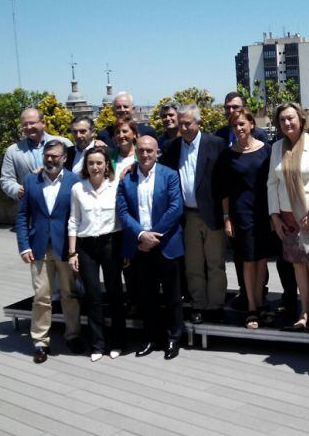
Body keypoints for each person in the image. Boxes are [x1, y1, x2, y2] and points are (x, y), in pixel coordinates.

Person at [117, 135, 185, 360]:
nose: (145, 154)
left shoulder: (170, 175)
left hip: (165, 244)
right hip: (140, 247)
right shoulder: (127, 178)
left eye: (150, 151)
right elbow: (123, 211)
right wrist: (141, 235)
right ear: (136, 152)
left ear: (157, 153)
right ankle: (150, 338)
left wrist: (153, 235)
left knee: (173, 296)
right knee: (147, 296)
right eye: (141, 150)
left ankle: (173, 338)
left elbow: (176, 208)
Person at [160, 104, 228, 324]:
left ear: (198, 123)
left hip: (212, 213)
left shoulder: (215, 144)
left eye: (188, 123)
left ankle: (216, 306)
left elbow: (225, 182)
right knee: (193, 264)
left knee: (215, 264)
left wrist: (227, 216)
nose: (184, 127)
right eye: (181, 123)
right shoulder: (172, 147)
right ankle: (198, 305)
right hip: (187, 216)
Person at [15, 140, 82, 363]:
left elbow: (79, 217)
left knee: (69, 294)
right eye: (47, 155)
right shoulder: (30, 181)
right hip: (39, 248)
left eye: (55, 156)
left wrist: (76, 251)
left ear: (64, 158)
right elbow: (23, 216)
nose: (50, 159)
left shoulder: (75, 181)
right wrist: (24, 245)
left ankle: (73, 335)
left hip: (65, 248)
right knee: (41, 296)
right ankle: (40, 342)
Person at [268, 102, 309, 331]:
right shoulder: (276, 148)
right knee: (297, 266)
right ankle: (303, 310)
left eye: (291, 118)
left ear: (301, 119)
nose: (287, 123)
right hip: (287, 216)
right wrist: (274, 215)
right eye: (282, 119)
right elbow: (271, 183)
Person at [67, 147, 125, 362]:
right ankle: (97, 344)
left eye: (99, 162)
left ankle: (117, 342)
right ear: (86, 166)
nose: (95, 167)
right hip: (86, 246)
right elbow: (73, 221)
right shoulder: (77, 189)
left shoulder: (116, 186)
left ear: (106, 165)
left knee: (115, 293)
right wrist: (72, 252)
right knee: (92, 296)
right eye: (91, 163)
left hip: (111, 242)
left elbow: (123, 217)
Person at [220, 109, 272, 329]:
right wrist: (226, 218)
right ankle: (251, 308)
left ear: (251, 124)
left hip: (265, 212)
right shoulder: (228, 155)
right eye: (234, 126)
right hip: (242, 214)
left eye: (242, 124)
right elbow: (225, 191)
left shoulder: (266, 150)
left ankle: (259, 303)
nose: (238, 128)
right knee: (248, 262)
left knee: (261, 260)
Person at [0, 108, 72, 200]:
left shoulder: (64, 143)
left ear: (43, 123)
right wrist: (18, 190)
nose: (28, 127)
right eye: (25, 124)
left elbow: (75, 169)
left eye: (32, 123)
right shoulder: (13, 151)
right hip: (32, 207)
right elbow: (6, 179)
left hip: (62, 202)